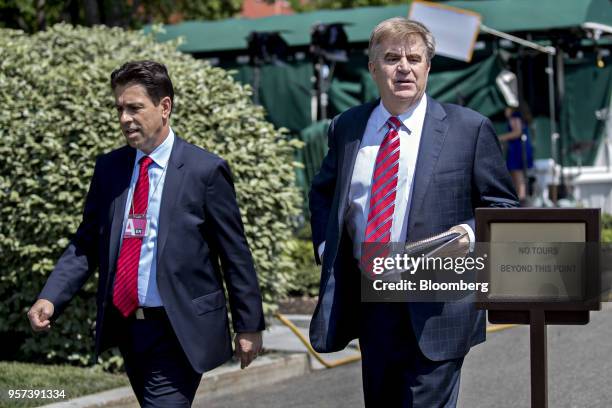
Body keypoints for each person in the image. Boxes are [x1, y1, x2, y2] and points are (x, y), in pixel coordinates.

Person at [27, 60, 264, 407]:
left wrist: (249, 325)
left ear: (164, 107)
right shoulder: (110, 169)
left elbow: (234, 254)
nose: (124, 118)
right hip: (130, 328)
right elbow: (86, 243)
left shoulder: (205, 171)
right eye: (119, 109)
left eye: (134, 108)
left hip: (180, 328)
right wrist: (51, 297)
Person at [308, 18, 518, 407]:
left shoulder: (468, 128)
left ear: (428, 67)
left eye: (413, 58)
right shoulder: (348, 126)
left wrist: (467, 236)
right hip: (372, 300)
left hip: (438, 301)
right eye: (391, 58)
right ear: (373, 68)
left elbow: (502, 207)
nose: (403, 67)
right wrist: (326, 247)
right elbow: (323, 192)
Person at [498, 106, 534, 203]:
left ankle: (521, 198)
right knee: (515, 174)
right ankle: (519, 197)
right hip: (517, 147)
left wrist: (500, 138)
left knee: (518, 174)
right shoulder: (519, 117)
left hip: (518, 148)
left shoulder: (515, 116)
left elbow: (517, 132)